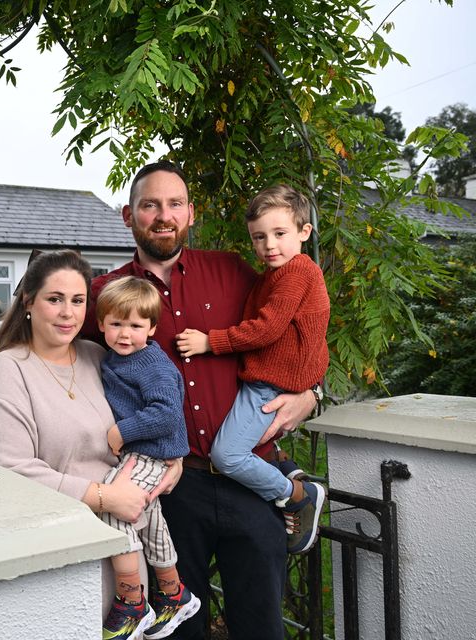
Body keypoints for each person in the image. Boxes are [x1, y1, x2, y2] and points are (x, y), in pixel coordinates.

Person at [81, 161, 317, 639]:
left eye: (174, 204)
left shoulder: (234, 271)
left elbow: (295, 328)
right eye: (150, 205)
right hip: (170, 490)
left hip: (247, 480)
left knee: (260, 626)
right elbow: (53, 348)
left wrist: (310, 394)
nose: (163, 215)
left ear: (191, 213)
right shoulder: (106, 294)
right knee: (179, 630)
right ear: (129, 215)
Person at [0, 249, 171, 640]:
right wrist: (103, 496)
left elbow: (154, 414)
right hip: (61, 554)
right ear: (28, 302)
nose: (67, 312)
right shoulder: (6, 370)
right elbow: (6, 470)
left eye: (78, 300)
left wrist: (172, 459)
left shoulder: (101, 357)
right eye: (54, 299)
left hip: (124, 550)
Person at [175, 184, 330, 555]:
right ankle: (283, 465)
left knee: (227, 455)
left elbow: (269, 328)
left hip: (268, 387)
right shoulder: (274, 274)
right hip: (266, 382)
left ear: (304, 232)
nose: (269, 245)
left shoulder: (296, 273)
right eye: (259, 237)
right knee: (242, 440)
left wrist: (210, 342)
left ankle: (296, 495)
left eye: (280, 234)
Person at [95, 275, 200, 638]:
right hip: (147, 455)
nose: (125, 334)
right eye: (116, 324)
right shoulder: (115, 358)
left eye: (136, 326)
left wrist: (121, 432)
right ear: (101, 324)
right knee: (151, 517)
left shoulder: (149, 363)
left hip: (151, 455)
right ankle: (174, 592)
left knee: (113, 509)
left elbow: (168, 412)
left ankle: (131, 599)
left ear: (152, 328)